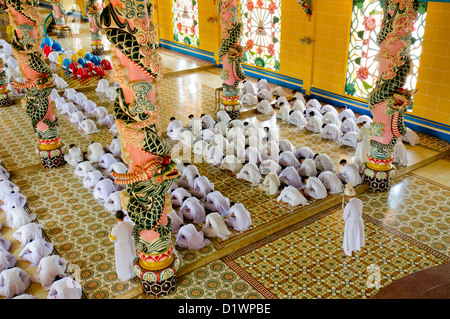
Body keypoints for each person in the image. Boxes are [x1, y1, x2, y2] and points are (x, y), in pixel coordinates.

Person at [109, 210, 136, 281]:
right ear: (123, 216)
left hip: (120, 246)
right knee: (131, 257)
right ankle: (133, 272)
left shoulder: (115, 229)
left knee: (123, 259)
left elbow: (112, 239)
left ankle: (126, 274)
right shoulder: (129, 224)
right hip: (129, 242)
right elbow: (133, 232)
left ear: (116, 218)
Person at [342, 183, 365, 256]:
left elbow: (345, 216)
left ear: (347, 196)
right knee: (356, 235)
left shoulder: (349, 205)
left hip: (351, 222)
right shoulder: (359, 201)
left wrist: (347, 220)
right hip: (359, 220)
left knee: (349, 237)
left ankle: (347, 252)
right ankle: (355, 249)